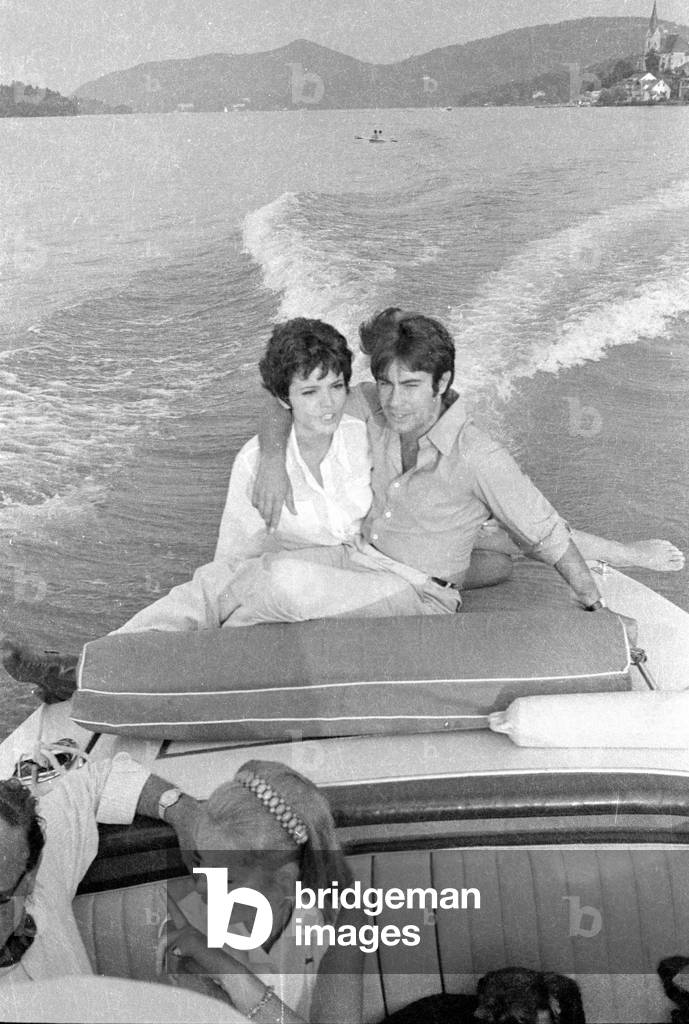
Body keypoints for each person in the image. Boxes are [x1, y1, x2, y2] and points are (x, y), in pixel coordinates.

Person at [2, 314, 683, 685]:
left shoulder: (472, 454)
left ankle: (170, 676)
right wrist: (270, 456)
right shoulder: (373, 412)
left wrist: (596, 598)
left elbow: (542, 528)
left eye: (410, 385)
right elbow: (290, 404)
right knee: (213, 585)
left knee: (279, 582)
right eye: (384, 384)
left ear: (441, 383)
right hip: (364, 561)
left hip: (415, 588)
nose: (391, 399)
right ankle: (88, 662)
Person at [163, 759, 363, 1024]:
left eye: (226, 881)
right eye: (200, 863)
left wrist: (227, 971)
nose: (200, 887)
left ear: (284, 879)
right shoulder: (183, 926)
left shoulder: (340, 911)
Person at [0, 753, 200, 992]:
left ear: (33, 873)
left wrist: (188, 816)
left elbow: (96, 781)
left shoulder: (30, 856)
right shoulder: (14, 864)